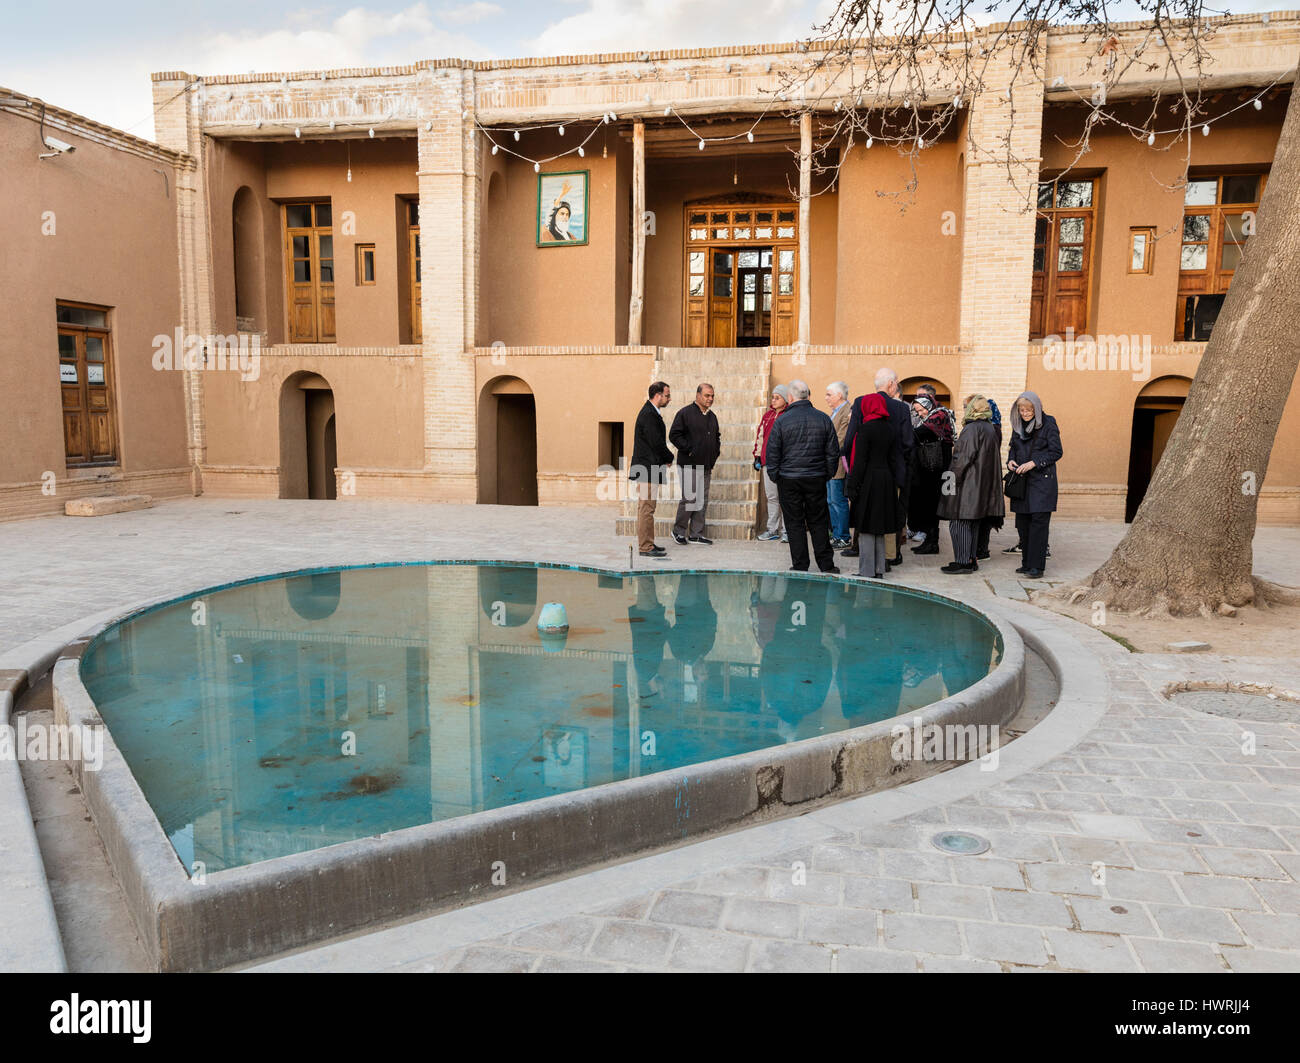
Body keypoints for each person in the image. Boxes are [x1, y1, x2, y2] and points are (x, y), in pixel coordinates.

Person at [765, 379, 841, 574]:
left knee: (794, 523)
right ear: (808, 395)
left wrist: (776, 475)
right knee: (818, 521)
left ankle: (800, 565)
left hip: (788, 479)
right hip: (815, 477)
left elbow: (773, 452)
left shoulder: (782, 421)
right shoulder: (824, 418)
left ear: (790, 398)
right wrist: (827, 473)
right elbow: (833, 452)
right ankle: (826, 564)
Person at [841, 368, 913, 565]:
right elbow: (908, 444)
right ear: (891, 384)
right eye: (896, 383)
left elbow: (850, 440)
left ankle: (865, 554)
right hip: (893, 471)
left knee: (865, 510)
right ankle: (889, 556)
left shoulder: (860, 402)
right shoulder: (901, 408)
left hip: (865, 471)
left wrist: (852, 466)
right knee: (890, 512)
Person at [937, 395, 1005, 574]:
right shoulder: (990, 428)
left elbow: (962, 459)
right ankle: (971, 559)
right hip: (981, 486)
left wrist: (950, 480)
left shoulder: (971, 429)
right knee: (973, 523)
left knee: (958, 523)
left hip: (967, 485)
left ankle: (962, 562)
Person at [1007, 390, 1063, 579]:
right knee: (1022, 524)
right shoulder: (1017, 425)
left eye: (1028, 410)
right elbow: (1012, 448)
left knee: (1038, 524)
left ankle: (1037, 567)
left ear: (1036, 409)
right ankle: (1026, 563)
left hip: (1042, 482)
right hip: (1022, 482)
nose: (1025, 414)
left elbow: (1056, 452)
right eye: (1022, 410)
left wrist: (1034, 463)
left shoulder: (1049, 424)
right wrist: (1010, 461)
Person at [844, 392, 901, 579]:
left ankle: (866, 570)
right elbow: (894, 459)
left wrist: (851, 486)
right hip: (886, 480)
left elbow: (859, 462)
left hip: (869, 480)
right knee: (880, 525)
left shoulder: (865, 429)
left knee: (867, 525)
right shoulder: (891, 428)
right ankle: (879, 568)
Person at [669, 383, 721, 545]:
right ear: (698, 395)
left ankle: (696, 534)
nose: (710, 399)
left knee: (701, 500)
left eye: (712, 396)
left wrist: (714, 454)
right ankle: (678, 531)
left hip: (706, 465)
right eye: (707, 395)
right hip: (688, 464)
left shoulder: (712, 417)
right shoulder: (685, 413)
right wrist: (690, 450)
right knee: (690, 498)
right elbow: (674, 435)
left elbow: (716, 437)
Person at [630, 381, 674, 558]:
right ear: (658, 395)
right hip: (647, 467)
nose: (669, 398)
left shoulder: (651, 412)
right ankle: (645, 547)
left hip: (649, 466)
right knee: (646, 508)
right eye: (667, 395)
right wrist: (669, 457)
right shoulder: (649, 414)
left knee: (648, 507)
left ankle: (648, 542)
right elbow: (656, 442)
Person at [907, 394, 954, 555]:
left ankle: (933, 543)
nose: (920, 413)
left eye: (920, 410)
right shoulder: (934, 415)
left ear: (928, 405)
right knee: (928, 505)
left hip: (938, 469)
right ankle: (930, 541)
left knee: (933, 505)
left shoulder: (939, 415)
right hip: (931, 468)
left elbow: (919, 433)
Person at [753, 385, 791, 541]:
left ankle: (788, 531)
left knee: (787, 498)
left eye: (777, 397)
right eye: (772, 397)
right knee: (772, 497)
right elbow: (760, 436)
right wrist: (757, 456)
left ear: (785, 399)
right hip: (768, 463)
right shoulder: (767, 416)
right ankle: (772, 529)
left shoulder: (789, 415)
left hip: (785, 463)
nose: (773, 400)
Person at [825, 382, 853, 548]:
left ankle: (843, 536)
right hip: (830, 463)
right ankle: (836, 535)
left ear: (839, 395)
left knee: (838, 501)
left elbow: (841, 438)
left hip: (838, 463)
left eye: (829, 394)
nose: (826, 398)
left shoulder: (846, 412)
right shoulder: (835, 412)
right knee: (830, 500)